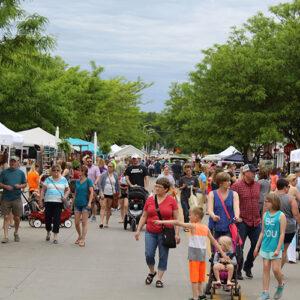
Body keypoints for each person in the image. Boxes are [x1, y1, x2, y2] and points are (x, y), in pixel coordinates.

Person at [155, 207, 227, 300]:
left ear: (196, 216)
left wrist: (161, 222)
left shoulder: (193, 226)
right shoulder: (205, 228)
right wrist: (223, 253)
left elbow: (177, 222)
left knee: (194, 279)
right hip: (202, 256)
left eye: (190, 215)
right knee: (200, 278)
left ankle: (195, 297)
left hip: (194, 256)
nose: (189, 216)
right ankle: (201, 295)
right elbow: (214, 241)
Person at [134, 178, 180, 289]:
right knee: (149, 254)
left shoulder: (171, 201)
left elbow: (176, 218)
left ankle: (159, 278)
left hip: (166, 232)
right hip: (151, 231)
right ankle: (152, 271)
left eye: (159, 187)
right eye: (156, 186)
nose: (157, 188)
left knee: (163, 255)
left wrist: (177, 233)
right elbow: (144, 216)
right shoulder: (150, 199)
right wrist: (138, 229)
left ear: (166, 189)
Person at [254, 193, 286, 300]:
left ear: (274, 202)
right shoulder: (265, 215)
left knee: (276, 269)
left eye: (267, 201)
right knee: (266, 268)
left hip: (275, 246)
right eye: (265, 201)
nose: (265, 203)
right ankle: (265, 292)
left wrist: (278, 249)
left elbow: (282, 234)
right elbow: (262, 232)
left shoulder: (281, 215)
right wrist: (257, 247)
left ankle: (281, 284)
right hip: (265, 245)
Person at [231, 164, 261, 279]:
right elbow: (231, 203)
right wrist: (235, 218)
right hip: (242, 221)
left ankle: (248, 266)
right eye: (252, 172)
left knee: (257, 245)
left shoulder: (257, 185)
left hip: (256, 221)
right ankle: (238, 269)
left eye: (255, 172)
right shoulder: (236, 186)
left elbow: (262, 202)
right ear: (245, 173)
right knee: (239, 247)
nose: (254, 173)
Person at [39, 164, 70, 244]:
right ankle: (48, 231)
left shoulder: (63, 180)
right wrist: (40, 200)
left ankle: (55, 236)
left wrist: (65, 196)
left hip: (58, 202)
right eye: (54, 170)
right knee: (47, 219)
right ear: (51, 171)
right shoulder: (48, 179)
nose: (56, 172)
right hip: (48, 201)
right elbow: (43, 190)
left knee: (57, 219)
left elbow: (67, 190)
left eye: (57, 170)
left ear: (60, 171)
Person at [0, 156, 26, 243]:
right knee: (6, 217)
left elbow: (25, 184)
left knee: (17, 217)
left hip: (16, 198)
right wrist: (5, 186)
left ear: (18, 162)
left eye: (14, 161)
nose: (12, 163)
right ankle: (6, 236)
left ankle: (16, 232)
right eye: (11, 161)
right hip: (6, 198)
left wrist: (19, 186)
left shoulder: (21, 173)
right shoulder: (4, 172)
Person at [207, 172, 241, 239]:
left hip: (229, 227)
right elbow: (210, 209)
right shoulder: (212, 194)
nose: (229, 182)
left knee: (227, 248)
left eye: (229, 180)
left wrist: (236, 217)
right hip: (215, 227)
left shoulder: (234, 194)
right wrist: (213, 216)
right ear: (220, 183)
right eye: (227, 181)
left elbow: (236, 208)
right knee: (215, 249)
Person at [275, 178, 300, 267]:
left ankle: (274, 267)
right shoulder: (291, 199)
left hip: (274, 226)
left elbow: (265, 212)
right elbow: (296, 214)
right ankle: (278, 269)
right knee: (284, 250)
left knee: (274, 248)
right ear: (285, 187)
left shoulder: (271, 197)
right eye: (288, 187)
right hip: (289, 227)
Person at [74, 165, 94, 247]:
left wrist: (89, 202)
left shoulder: (88, 181)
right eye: (79, 171)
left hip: (85, 204)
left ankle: (83, 239)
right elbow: (75, 193)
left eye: (81, 171)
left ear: (85, 172)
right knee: (76, 223)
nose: (79, 172)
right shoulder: (77, 182)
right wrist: (72, 203)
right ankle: (79, 235)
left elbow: (91, 192)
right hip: (77, 204)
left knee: (84, 222)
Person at [99, 162, 120, 228]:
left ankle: (106, 222)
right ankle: (101, 222)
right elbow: (99, 184)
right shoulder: (103, 174)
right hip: (104, 193)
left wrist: (119, 193)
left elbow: (117, 185)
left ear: (113, 168)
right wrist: (101, 192)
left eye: (111, 166)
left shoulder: (115, 175)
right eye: (108, 166)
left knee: (108, 208)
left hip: (112, 194)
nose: (109, 167)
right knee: (103, 207)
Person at [86, 157, 101, 222]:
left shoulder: (95, 168)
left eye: (90, 161)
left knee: (93, 202)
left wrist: (95, 183)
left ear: (92, 161)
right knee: (86, 201)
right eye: (88, 161)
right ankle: (86, 215)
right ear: (86, 162)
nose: (89, 162)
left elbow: (98, 176)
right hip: (86, 187)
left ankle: (94, 216)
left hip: (94, 187)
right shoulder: (85, 168)